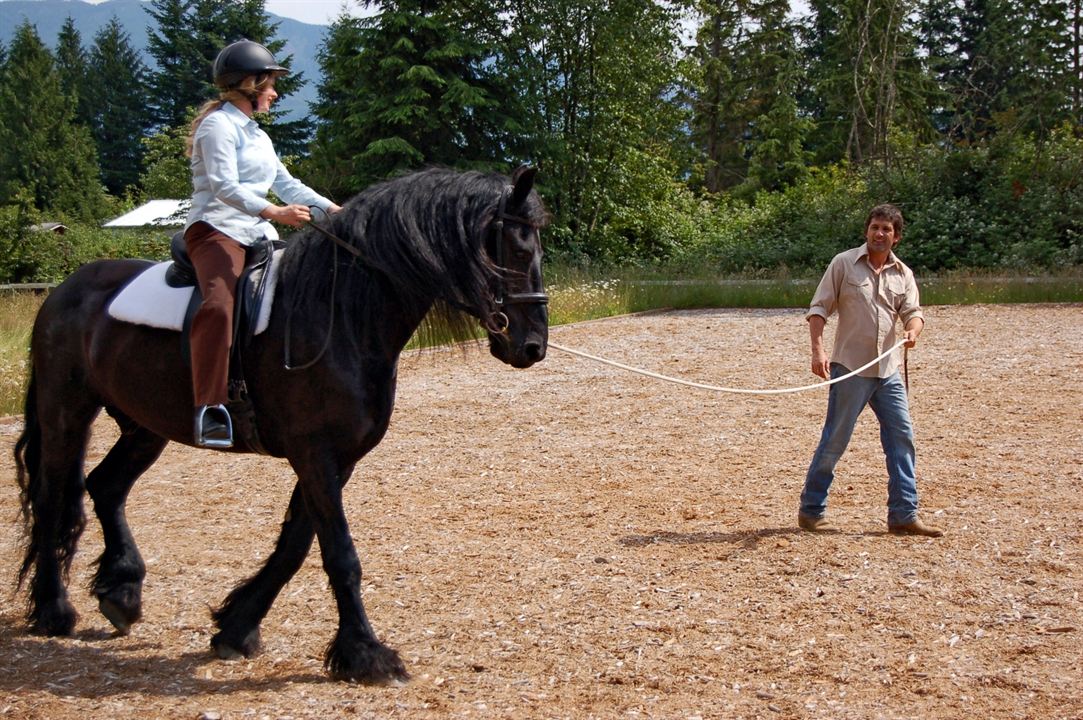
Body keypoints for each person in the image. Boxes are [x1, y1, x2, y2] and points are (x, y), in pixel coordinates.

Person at [184, 39, 341, 448]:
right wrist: (275, 212)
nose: (275, 92)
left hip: (258, 234)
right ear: (250, 83)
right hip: (216, 229)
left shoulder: (256, 134)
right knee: (219, 306)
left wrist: (335, 211)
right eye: (270, 83)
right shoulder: (217, 126)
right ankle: (211, 407)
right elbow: (223, 187)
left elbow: (287, 183)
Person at [797, 203, 943, 537]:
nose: (880, 234)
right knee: (835, 440)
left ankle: (904, 514)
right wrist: (818, 349)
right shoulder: (844, 264)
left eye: (886, 229)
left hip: (888, 371)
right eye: (875, 227)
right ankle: (811, 510)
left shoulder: (903, 274)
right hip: (850, 368)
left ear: (896, 237)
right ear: (867, 230)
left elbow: (914, 312)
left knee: (901, 438)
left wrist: (913, 331)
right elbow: (819, 308)